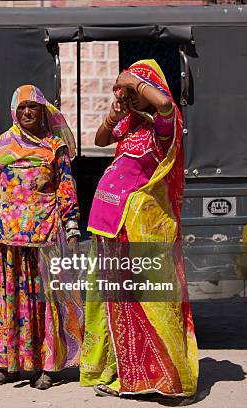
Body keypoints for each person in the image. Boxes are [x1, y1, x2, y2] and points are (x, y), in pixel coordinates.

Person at [80, 60, 198, 397]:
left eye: (134, 91)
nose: (129, 96)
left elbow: (163, 103)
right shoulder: (130, 124)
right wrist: (115, 114)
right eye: (124, 92)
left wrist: (134, 80)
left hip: (141, 227)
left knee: (152, 301)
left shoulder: (161, 126)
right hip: (109, 222)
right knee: (118, 304)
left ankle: (168, 379)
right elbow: (101, 139)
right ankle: (128, 375)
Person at [0, 85, 82, 389]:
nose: (28, 112)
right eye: (22, 108)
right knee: (6, 301)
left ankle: (46, 367)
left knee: (43, 302)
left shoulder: (54, 148)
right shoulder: (5, 144)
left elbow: (66, 189)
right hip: (4, 238)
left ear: (43, 110)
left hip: (43, 235)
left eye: (33, 107)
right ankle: (7, 365)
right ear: (14, 113)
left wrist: (71, 229)